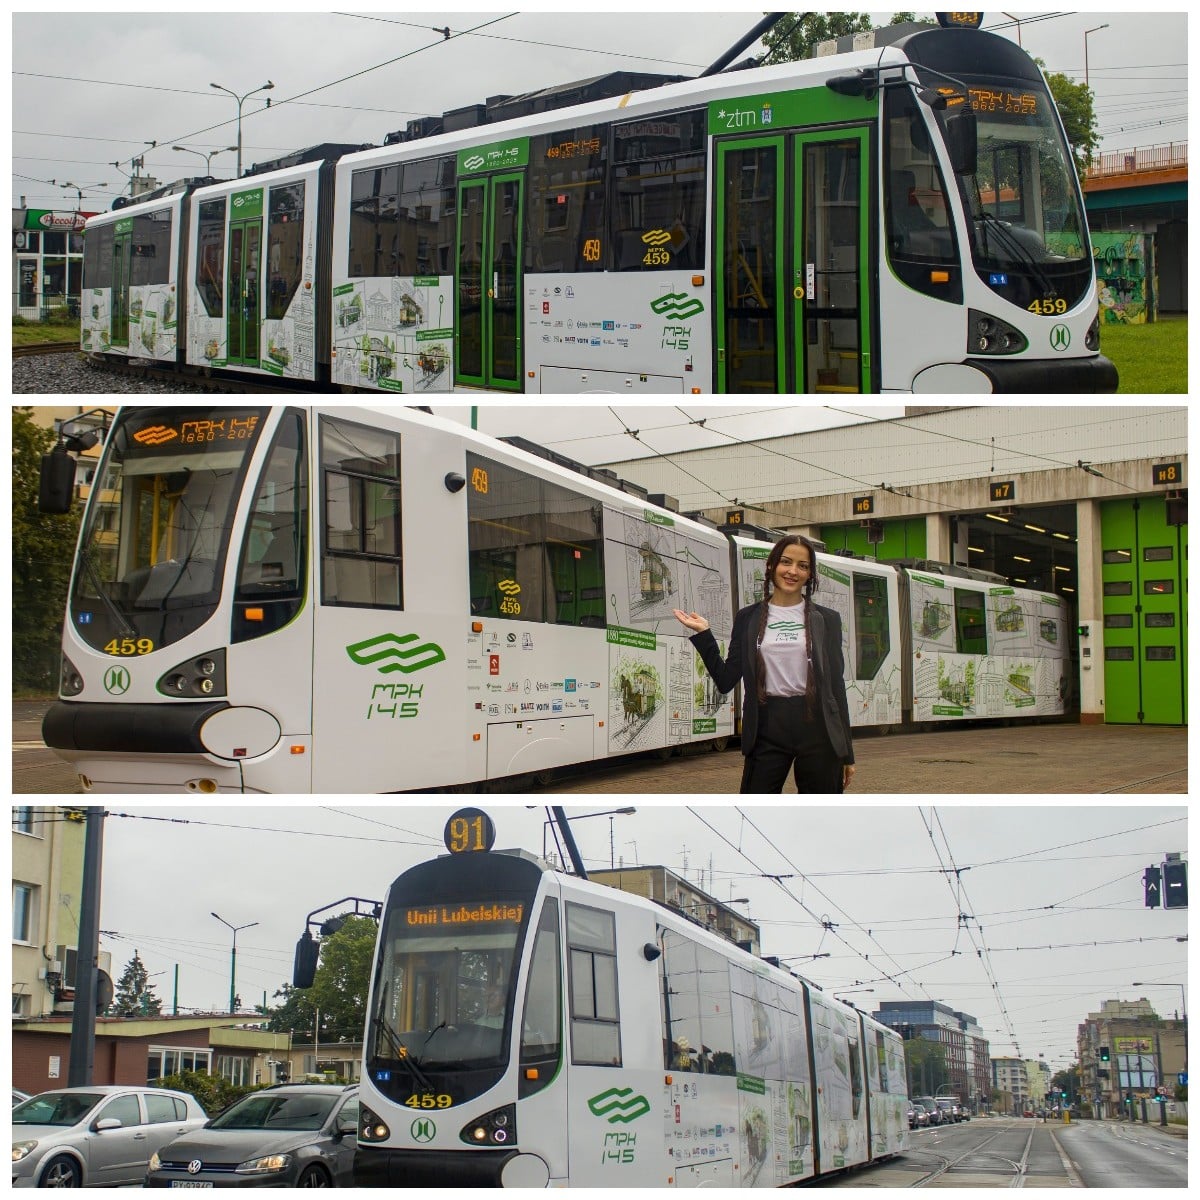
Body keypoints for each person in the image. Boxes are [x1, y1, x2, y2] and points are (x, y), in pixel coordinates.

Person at [673, 534, 855, 794]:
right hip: (767, 725)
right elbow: (726, 680)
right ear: (771, 566)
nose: (793, 571)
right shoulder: (748, 617)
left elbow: (836, 688)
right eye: (786, 562)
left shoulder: (827, 619)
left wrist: (847, 753)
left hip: (819, 729)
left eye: (802, 566)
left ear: (810, 574)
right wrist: (704, 636)